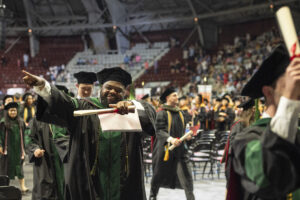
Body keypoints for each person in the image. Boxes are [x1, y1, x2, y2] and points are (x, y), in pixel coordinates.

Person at [22, 67, 156, 200]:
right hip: (91, 180)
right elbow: (63, 103)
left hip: (123, 183)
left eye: (118, 90)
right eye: (108, 87)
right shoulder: (85, 107)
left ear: (124, 93)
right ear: (101, 89)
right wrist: (42, 85)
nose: (112, 91)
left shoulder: (131, 111)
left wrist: (131, 105)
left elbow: (149, 114)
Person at [228, 44, 300, 199]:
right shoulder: (246, 139)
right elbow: (268, 174)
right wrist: (290, 99)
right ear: (268, 92)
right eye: (291, 83)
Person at [150, 87, 195, 200]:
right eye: (174, 95)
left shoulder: (180, 113)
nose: (177, 97)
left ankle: (191, 198)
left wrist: (187, 135)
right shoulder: (161, 113)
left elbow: (185, 127)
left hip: (180, 149)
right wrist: (171, 139)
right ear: (167, 98)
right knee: (158, 174)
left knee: (187, 175)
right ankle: (152, 196)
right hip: (165, 149)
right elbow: (159, 131)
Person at [27, 117, 65, 200]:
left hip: (61, 161)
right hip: (44, 161)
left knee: (63, 189)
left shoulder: (61, 118)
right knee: (44, 191)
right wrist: (35, 149)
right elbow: (29, 138)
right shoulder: (35, 120)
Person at [0, 102, 29, 193]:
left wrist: (25, 147)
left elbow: (25, 135)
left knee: (19, 168)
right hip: (7, 150)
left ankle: (23, 186)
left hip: (18, 150)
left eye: (14, 110)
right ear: (7, 111)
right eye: (11, 110)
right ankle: (4, 187)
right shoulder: (3, 122)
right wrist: (0, 145)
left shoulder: (20, 122)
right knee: (5, 169)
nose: (13, 112)